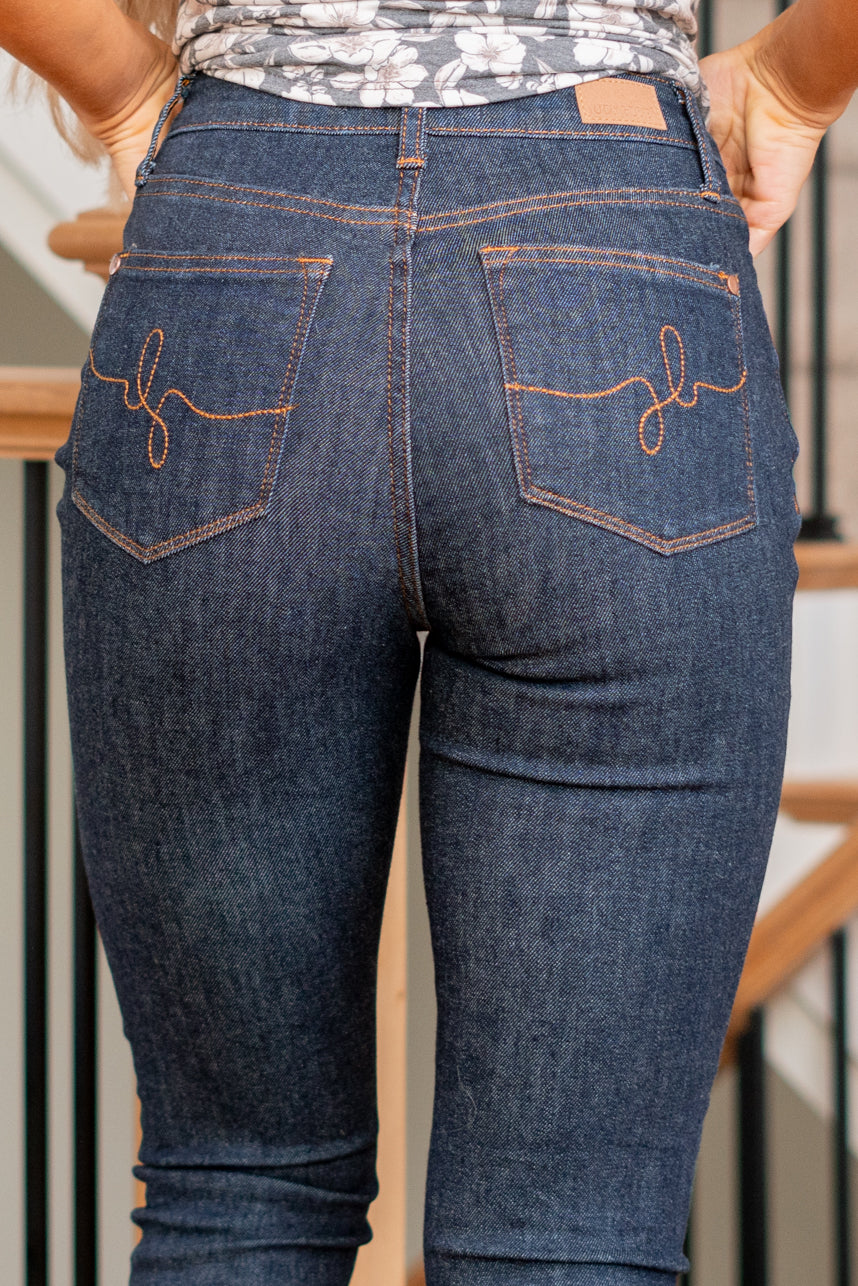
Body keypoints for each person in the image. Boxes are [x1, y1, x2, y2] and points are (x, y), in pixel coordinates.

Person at [2, 1, 855, 1283]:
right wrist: (794, 80)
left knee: (237, 1191)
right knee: (569, 1234)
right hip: (613, 251)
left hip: (235, 230)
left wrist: (124, 89)